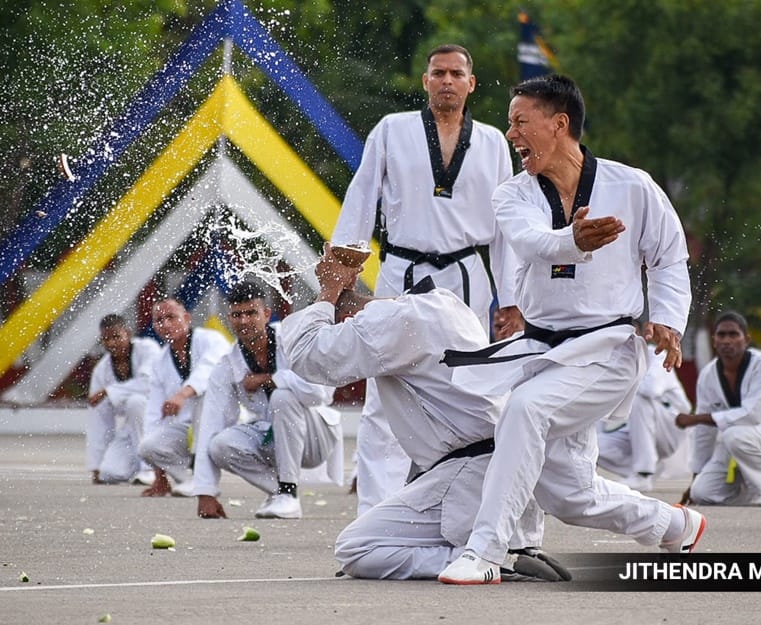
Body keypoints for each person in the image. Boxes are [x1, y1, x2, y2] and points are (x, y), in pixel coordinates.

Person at [438, 74, 703, 585]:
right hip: (539, 349)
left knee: (525, 410)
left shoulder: (633, 186)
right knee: (568, 492)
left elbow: (669, 258)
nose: (511, 134)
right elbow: (534, 242)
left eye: (520, 123)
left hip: (609, 348)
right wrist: (573, 240)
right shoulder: (512, 195)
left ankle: (486, 552)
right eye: (510, 124)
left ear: (559, 124)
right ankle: (675, 524)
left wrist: (668, 318)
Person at [279, 244, 570, 582]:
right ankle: (506, 551)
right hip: (496, 472)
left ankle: (486, 557)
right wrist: (341, 291)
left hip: (470, 478)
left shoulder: (390, 324)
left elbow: (307, 355)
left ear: (345, 320)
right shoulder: (446, 305)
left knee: (355, 548)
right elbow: (370, 317)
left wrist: (328, 290)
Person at [332, 44, 523, 514]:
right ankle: (375, 515)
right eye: (438, 73)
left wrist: (513, 300)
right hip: (403, 272)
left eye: (456, 74)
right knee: (386, 391)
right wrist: (342, 278)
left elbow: (504, 229)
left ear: (471, 84)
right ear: (425, 81)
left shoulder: (495, 141)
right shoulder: (392, 130)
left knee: (474, 390)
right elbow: (360, 200)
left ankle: (467, 507)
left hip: (466, 275)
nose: (447, 81)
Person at [192, 281, 343, 520]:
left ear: (266, 314)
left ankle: (287, 492)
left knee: (283, 397)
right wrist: (205, 492)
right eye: (236, 315)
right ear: (229, 318)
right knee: (219, 445)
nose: (243, 321)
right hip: (274, 438)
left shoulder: (292, 340)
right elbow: (212, 422)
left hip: (316, 437)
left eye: (251, 312)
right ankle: (282, 493)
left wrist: (270, 379)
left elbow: (321, 394)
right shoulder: (227, 365)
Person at [676, 311, 761, 506]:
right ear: (714, 340)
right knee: (703, 493)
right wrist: (696, 476)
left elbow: (754, 415)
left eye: (733, 334)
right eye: (721, 335)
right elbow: (704, 434)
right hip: (737, 440)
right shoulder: (708, 375)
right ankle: (753, 489)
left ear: (746, 339)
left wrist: (696, 418)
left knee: (734, 435)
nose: (727, 341)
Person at [138, 296, 231, 497]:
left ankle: (202, 478)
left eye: (171, 317)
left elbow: (209, 371)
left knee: (203, 397)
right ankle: (189, 479)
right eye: (159, 320)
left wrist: (182, 394)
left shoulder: (210, 339)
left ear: (187, 318)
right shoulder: (160, 361)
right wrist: (159, 476)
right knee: (147, 446)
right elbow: (154, 414)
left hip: (223, 424)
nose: (165, 324)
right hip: (187, 430)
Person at [596, 348, 693, 491]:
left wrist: (621, 379)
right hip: (636, 431)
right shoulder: (614, 357)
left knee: (640, 399)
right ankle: (643, 469)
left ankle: (643, 474)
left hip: (672, 427)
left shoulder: (656, 355)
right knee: (594, 446)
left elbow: (651, 389)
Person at [86, 314, 161, 485]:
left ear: (127, 333)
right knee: (109, 473)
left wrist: (108, 391)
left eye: (116, 337)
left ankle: (150, 469)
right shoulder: (102, 370)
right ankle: (146, 462)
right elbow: (99, 420)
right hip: (135, 428)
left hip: (163, 421)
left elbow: (148, 384)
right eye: (106, 339)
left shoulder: (148, 349)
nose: (111, 343)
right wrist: (96, 465)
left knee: (136, 402)